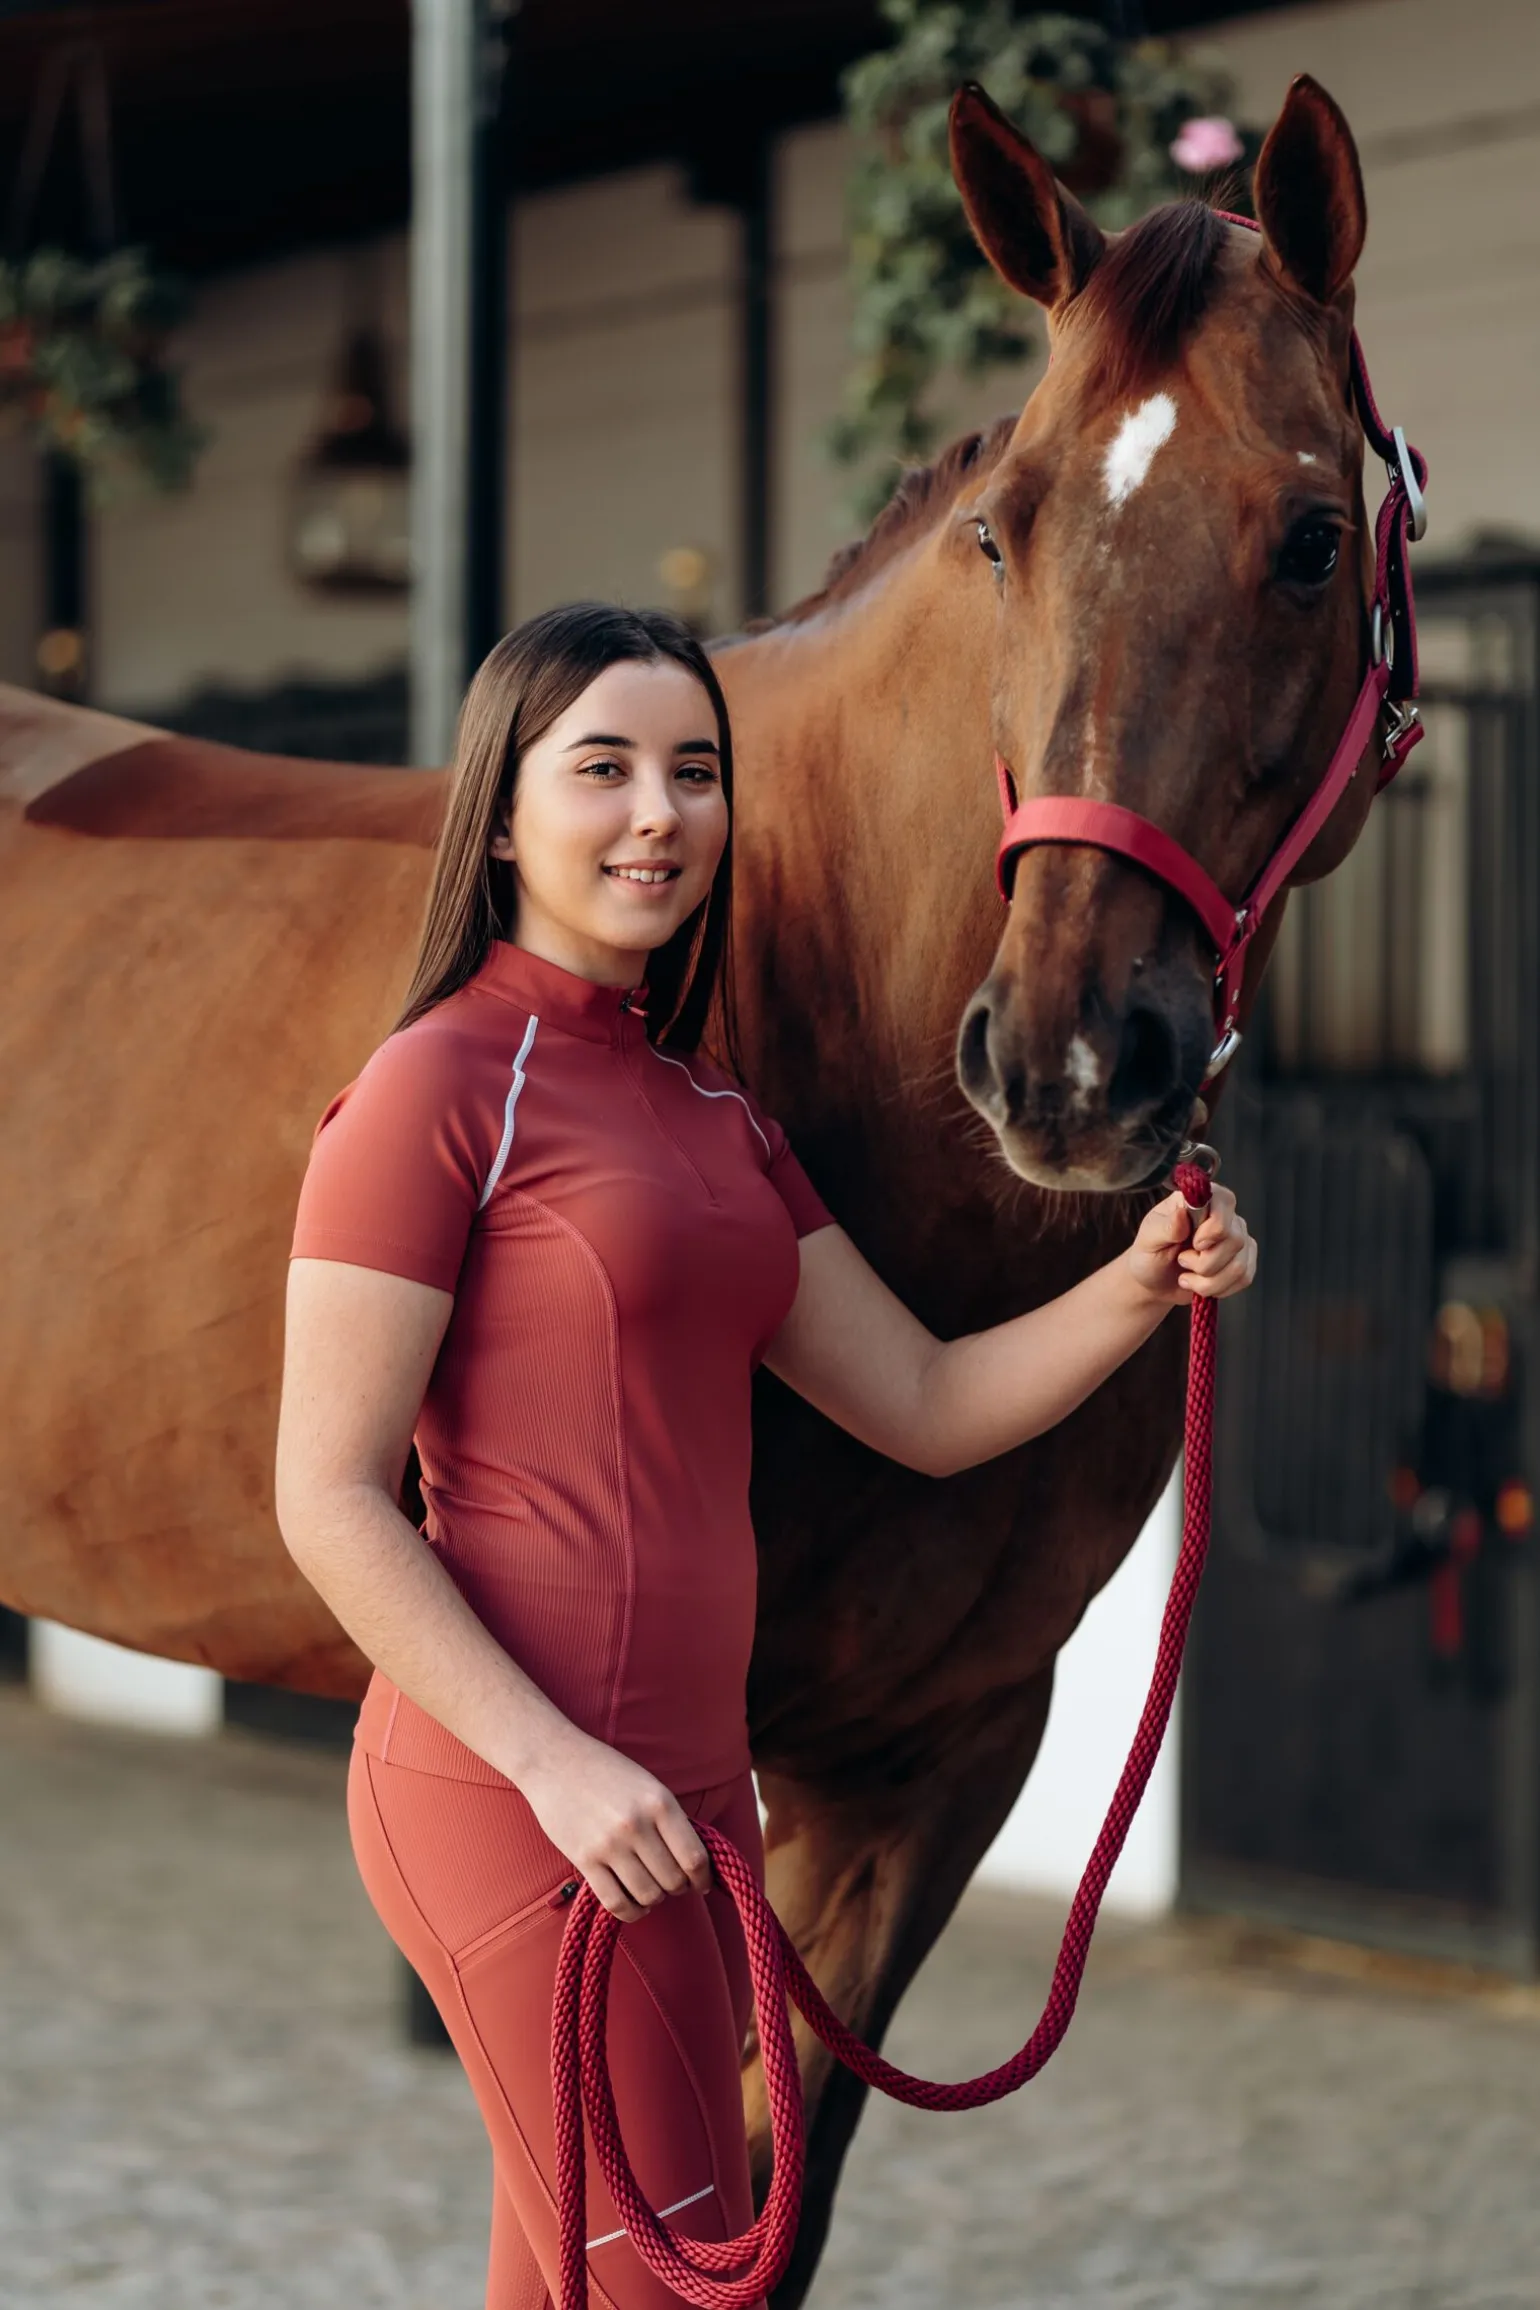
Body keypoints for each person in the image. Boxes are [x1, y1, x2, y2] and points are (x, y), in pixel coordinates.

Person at [275, 602, 1257, 2310]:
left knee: (580, 2279)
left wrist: (1136, 1287)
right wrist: (554, 1767)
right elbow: (330, 1494)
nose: (660, 811)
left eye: (696, 771)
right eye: (605, 769)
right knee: (683, 2277)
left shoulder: (716, 1117)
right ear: (502, 813)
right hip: (514, 1795)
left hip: (686, 1801)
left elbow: (930, 1402)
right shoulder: (432, 1091)